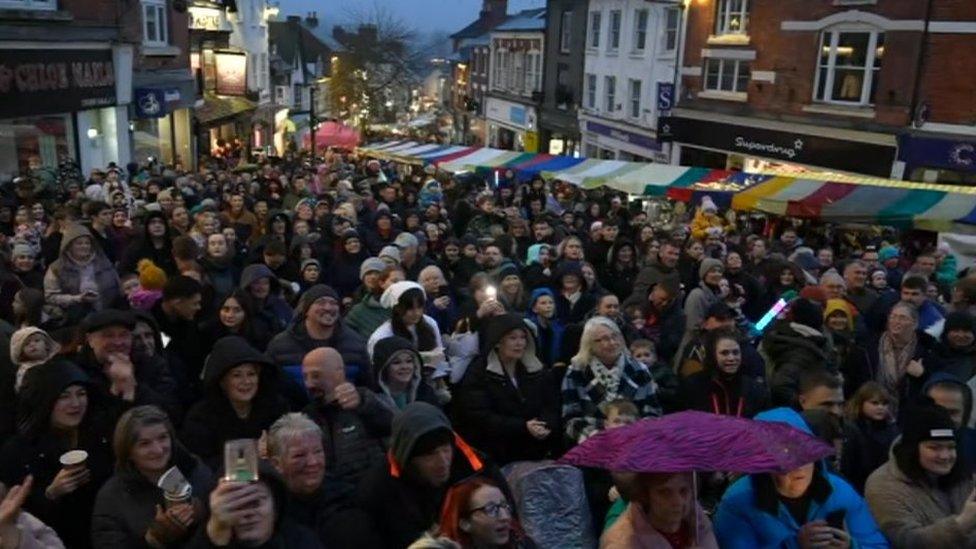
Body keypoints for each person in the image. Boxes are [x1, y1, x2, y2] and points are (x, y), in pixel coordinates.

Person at [714, 407, 888, 549]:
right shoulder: (737, 503)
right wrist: (794, 545)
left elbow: (878, 544)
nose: (799, 465)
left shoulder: (840, 492)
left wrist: (852, 546)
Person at [356, 402, 507, 549]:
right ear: (408, 458)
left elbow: (511, 524)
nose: (443, 461)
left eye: (446, 449)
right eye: (430, 454)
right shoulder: (378, 489)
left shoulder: (477, 467)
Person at [0, 360, 116, 548]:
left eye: (81, 394)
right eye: (64, 396)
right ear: (46, 400)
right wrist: (51, 493)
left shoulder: (99, 435)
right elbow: (16, 515)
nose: (76, 404)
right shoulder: (18, 450)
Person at [91, 405, 213, 548]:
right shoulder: (112, 497)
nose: (158, 450)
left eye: (162, 438)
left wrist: (204, 511)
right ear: (128, 451)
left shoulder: (194, 469)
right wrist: (153, 540)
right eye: (144, 444)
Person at [453, 314, 560, 465]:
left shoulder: (537, 370)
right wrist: (522, 427)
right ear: (497, 342)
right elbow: (480, 416)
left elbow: (551, 403)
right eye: (512, 338)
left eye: (523, 338)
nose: (519, 343)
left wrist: (546, 424)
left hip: (536, 449)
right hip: (497, 453)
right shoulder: (479, 373)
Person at [265, 413, 383, 548]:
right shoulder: (269, 514)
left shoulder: (348, 500)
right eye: (299, 455)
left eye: (317, 451)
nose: (313, 462)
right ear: (276, 464)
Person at [865, 404, 976, 547]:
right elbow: (905, 540)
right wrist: (962, 525)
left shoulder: (962, 474)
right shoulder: (883, 485)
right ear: (913, 449)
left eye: (950, 447)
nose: (945, 456)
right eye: (934, 447)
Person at [180, 336, 288, 470]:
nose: (246, 381)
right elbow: (202, 466)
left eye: (251, 374)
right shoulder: (200, 418)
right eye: (237, 375)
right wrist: (250, 455)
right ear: (222, 381)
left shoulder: (276, 407)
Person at [562, 317, 662, 443]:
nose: (612, 342)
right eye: (604, 339)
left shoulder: (639, 370)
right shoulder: (576, 372)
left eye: (615, 336)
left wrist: (635, 434)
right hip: (591, 441)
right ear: (589, 345)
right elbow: (570, 418)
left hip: (634, 439)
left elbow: (653, 413)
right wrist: (595, 436)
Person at [301, 348, 391, 487]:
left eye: (316, 376)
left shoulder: (366, 401)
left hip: (372, 491)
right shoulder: (307, 417)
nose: (309, 384)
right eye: (305, 377)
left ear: (339, 373)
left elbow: (392, 426)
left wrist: (362, 404)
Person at [267, 284, 370, 389]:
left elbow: (369, 388)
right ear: (306, 310)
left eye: (333, 303)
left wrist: (358, 399)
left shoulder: (356, 344)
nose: (328, 308)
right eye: (321, 302)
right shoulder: (280, 346)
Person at [193, 465, 322, 548]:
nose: (248, 513)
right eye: (238, 505)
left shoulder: (303, 541)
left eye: (256, 502)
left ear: (275, 507)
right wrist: (213, 539)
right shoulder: (206, 539)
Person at [600, 472, 718, 549]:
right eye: (665, 492)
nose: (678, 502)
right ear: (644, 495)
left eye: (684, 490)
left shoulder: (697, 519)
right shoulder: (621, 543)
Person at [679, 330, 769, 418]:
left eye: (736, 352)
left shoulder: (755, 390)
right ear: (712, 355)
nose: (731, 358)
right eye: (724, 353)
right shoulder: (692, 386)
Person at [43, 224, 121, 324]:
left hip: (108, 313)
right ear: (69, 245)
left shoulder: (104, 263)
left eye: (87, 243)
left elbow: (118, 286)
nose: (84, 246)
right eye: (79, 243)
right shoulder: (57, 268)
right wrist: (77, 298)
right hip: (76, 319)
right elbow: (50, 297)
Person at [437, 477, 536, 549]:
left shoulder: (523, 544)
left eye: (504, 506)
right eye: (491, 509)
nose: (505, 516)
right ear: (465, 524)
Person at [841, 382, 899, 493]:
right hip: (858, 484)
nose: (880, 407)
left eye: (884, 403)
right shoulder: (851, 429)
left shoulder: (892, 429)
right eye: (875, 403)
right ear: (861, 403)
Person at [371, 336, 441, 414]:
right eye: (396, 362)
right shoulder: (373, 400)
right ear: (384, 367)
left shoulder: (426, 394)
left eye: (409, 361)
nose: (405, 367)